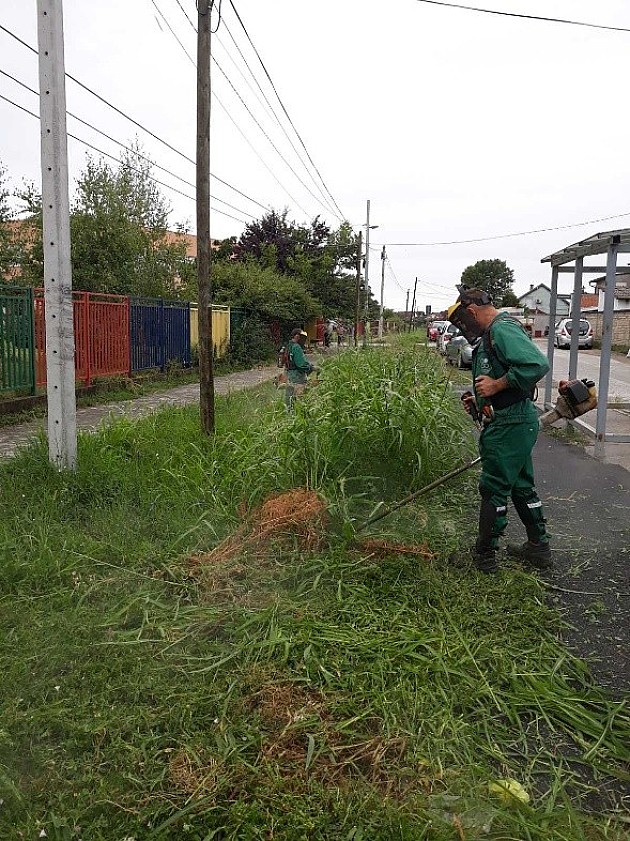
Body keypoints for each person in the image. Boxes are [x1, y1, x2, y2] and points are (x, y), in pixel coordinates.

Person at [447, 288, 551, 574]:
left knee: (494, 488)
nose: (467, 328)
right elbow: (496, 372)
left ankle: (484, 556)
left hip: (510, 423)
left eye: (465, 321)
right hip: (509, 419)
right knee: (520, 485)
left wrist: (497, 386)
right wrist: (480, 400)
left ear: (471, 311)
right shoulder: (493, 333)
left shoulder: (502, 330)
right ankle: (538, 547)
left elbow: (536, 364)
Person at [284, 327, 318, 410]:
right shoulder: (296, 347)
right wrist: (311, 367)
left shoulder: (288, 345)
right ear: (297, 336)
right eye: (302, 337)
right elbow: (301, 365)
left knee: (289, 396)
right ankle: (300, 414)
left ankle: (289, 413)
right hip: (297, 376)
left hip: (289, 374)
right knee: (300, 398)